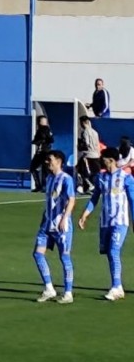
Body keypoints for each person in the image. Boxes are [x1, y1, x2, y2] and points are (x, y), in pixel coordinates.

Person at [77, 147, 134, 301]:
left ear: (111, 160)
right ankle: (119, 286)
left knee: (114, 250)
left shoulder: (125, 178)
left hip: (120, 222)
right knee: (109, 253)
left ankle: (115, 287)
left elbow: (132, 200)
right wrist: (85, 214)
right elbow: (95, 198)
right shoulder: (101, 178)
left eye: (104, 158)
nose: (102, 160)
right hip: (105, 222)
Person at [35, 150, 77, 304]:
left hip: (61, 226)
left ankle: (68, 293)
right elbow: (49, 203)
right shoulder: (49, 179)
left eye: (49, 159)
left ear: (59, 161)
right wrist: (43, 220)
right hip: (47, 225)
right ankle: (49, 288)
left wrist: (64, 219)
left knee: (64, 257)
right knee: (37, 254)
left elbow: (72, 200)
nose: (47, 162)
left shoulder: (66, 179)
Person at [76, 116, 101, 195]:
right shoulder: (95, 132)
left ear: (83, 123)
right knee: (94, 172)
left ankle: (90, 186)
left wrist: (79, 145)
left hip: (88, 155)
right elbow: (97, 144)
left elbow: (86, 144)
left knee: (80, 170)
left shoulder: (85, 132)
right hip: (96, 155)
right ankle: (88, 187)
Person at [30, 115, 55, 193]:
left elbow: (51, 139)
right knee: (33, 168)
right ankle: (39, 186)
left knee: (44, 170)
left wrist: (43, 141)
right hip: (40, 152)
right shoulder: (40, 130)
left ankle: (44, 186)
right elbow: (36, 140)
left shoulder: (46, 129)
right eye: (43, 120)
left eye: (45, 120)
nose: (44, 122)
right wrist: (36, 142)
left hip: (45, 152)